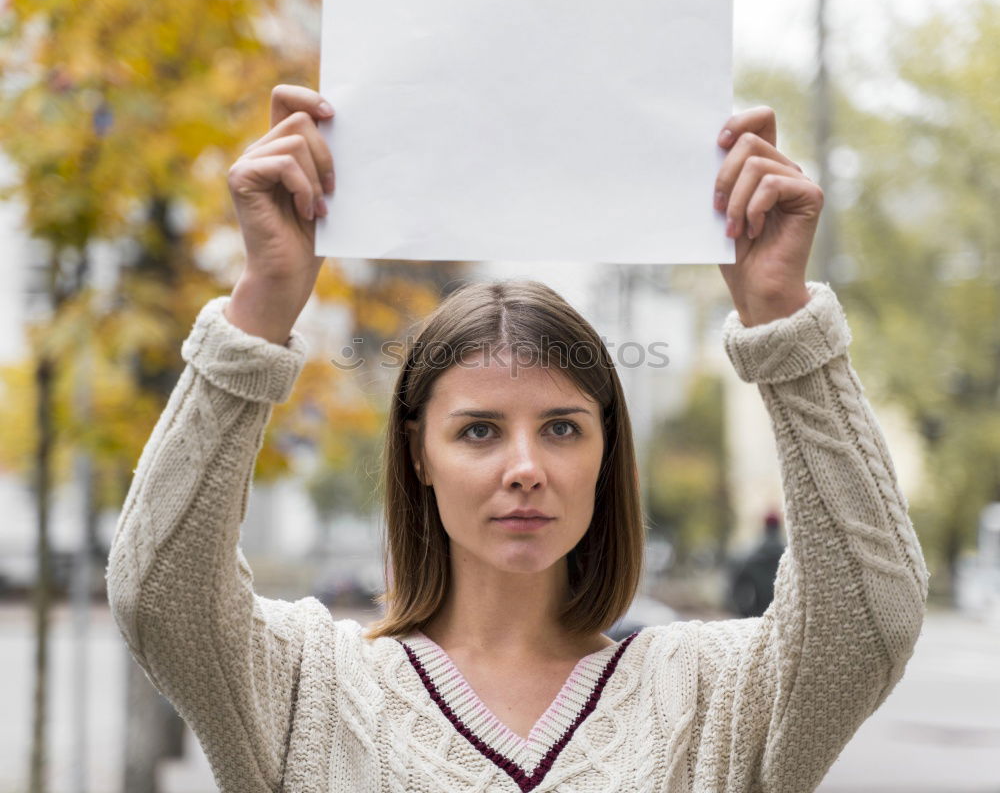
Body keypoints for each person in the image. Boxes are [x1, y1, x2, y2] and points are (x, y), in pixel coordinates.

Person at [106, 84, 930, 792]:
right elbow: (159, 590)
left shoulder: (711, 697)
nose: (526, 467)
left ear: (608, 454)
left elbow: (870, 616)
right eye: (478, 431)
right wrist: (262, 304)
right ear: (418, 455)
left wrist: (782, 317)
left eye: (563, 427)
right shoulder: (306, 688)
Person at [728, 511, 786, 618]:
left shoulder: (752, 556)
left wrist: (746, 611)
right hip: (783, 615)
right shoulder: (787, 555)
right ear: (779, 526)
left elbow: (736, 586)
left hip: (758, 615)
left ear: (765, 526)